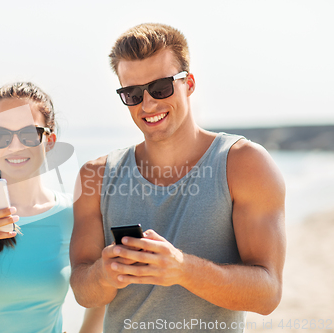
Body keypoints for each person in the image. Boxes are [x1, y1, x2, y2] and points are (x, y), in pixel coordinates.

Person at [70, 23, 286, 332]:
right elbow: (82, 291)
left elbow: (268, 295)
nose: (148, 104)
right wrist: (104, 275)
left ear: (189, 83)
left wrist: (183, 270)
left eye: (160, 88)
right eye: (132, 94)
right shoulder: (96, 176)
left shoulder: (245, 164)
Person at [0, 82, 104, 333]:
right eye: (2, 136)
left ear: (49, 140)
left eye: (28, 134)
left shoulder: (73, 215)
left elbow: (100, 289)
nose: (15, 146)